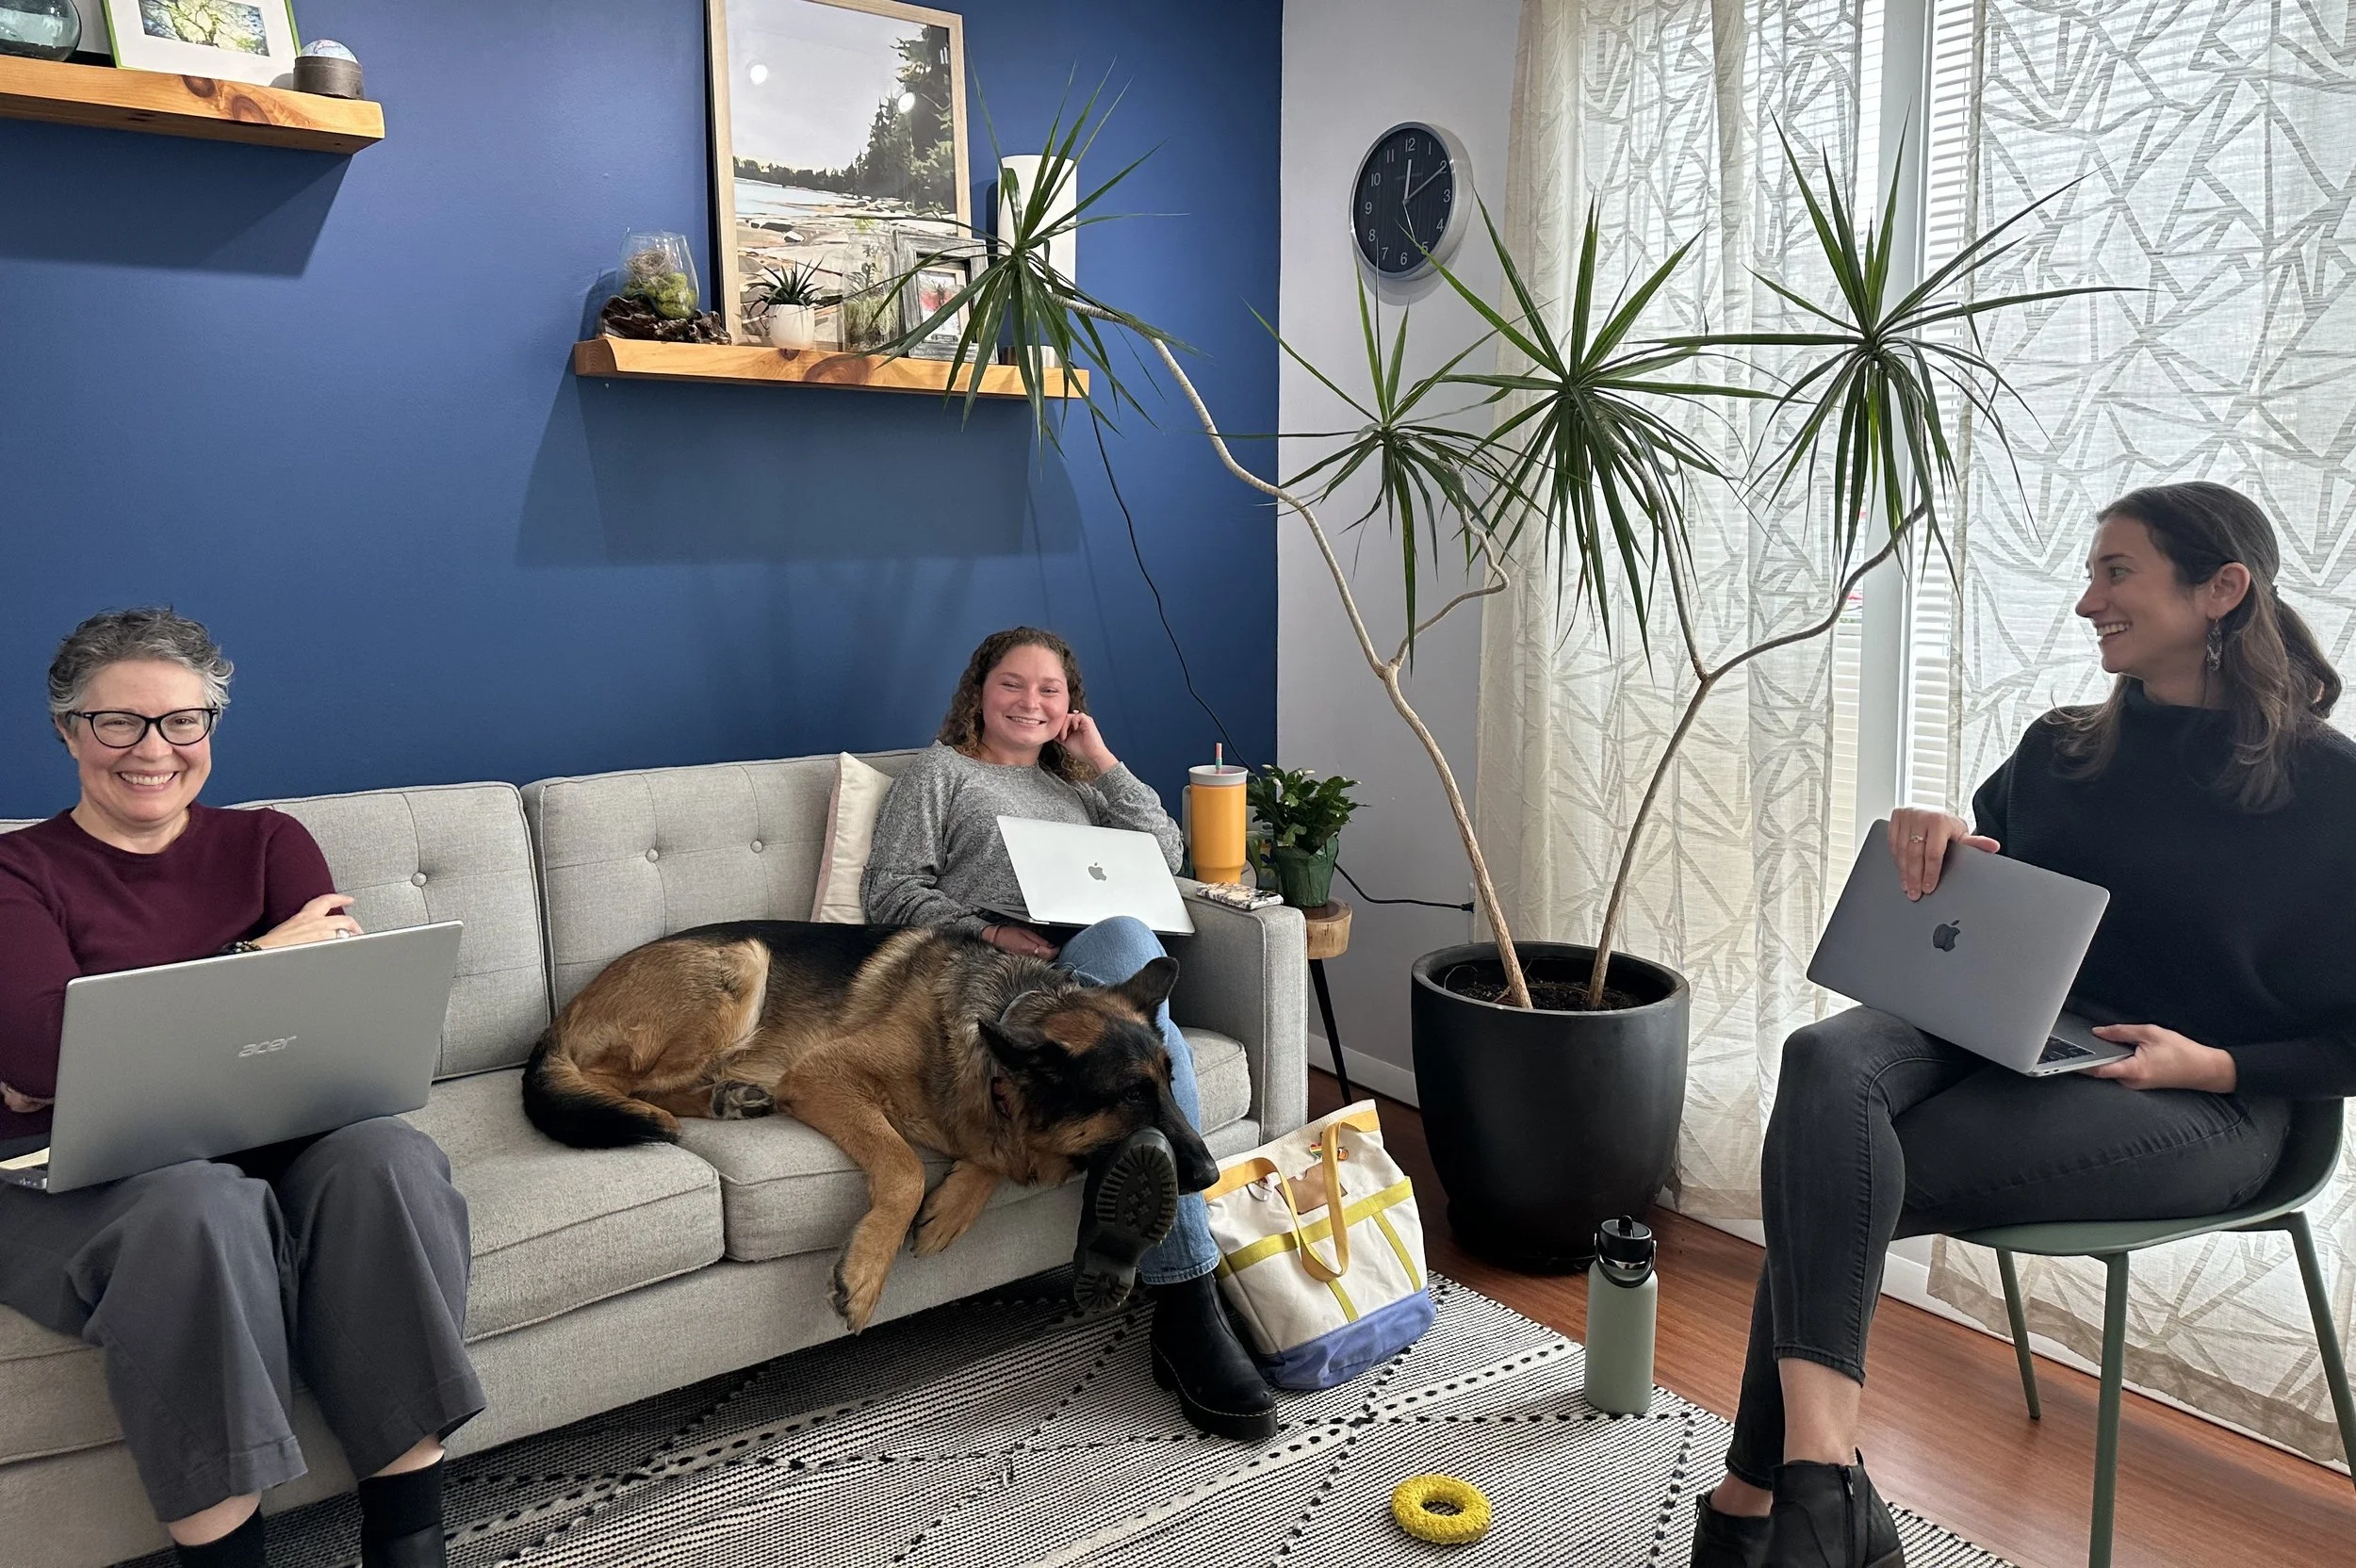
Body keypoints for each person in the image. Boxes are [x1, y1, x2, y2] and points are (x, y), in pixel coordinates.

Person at [1693, 482, 2356, 1568]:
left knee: (1842, 1170)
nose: (2086, 598)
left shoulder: (2328, 791)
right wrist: (1937, 839)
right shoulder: (2063, 747)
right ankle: (1820, 1480)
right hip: (2018, 1026)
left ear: (2222, 588)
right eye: (2091, 570)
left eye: (2116, 570)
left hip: (2212, 1101)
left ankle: (1758, 1498)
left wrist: (2216, 1060)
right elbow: (1990, 902)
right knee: (1824, 1062)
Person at [0, 609, 483, 1568]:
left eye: (184, 720)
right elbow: (38, 1059)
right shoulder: (18, 869)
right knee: (200, 1208)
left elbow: (333, 1009)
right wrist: (258, 956)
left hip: (272, 1136)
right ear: (66, 730)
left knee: (389, 1156)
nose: (154, 749)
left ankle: (409, 1539)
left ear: (210, 728)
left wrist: (96, 1026)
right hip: (68, 1177)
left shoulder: (268, 843)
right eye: (118, 721)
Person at [862, 626, 1277, 1441]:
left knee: (1127, 940)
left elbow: (1166, 852)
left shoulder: (1078, 782)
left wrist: (1105, 761)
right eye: (1013, 684)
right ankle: (1189, 1302)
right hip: (1010, 971)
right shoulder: (940, 775)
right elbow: (890, 889)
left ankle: (1152, 1255)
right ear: (979, 691)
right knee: (1155, 1048)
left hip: (1101, 955)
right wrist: (986, 934)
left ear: (1070, 705)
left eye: (1051, 691)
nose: (1031, 702)